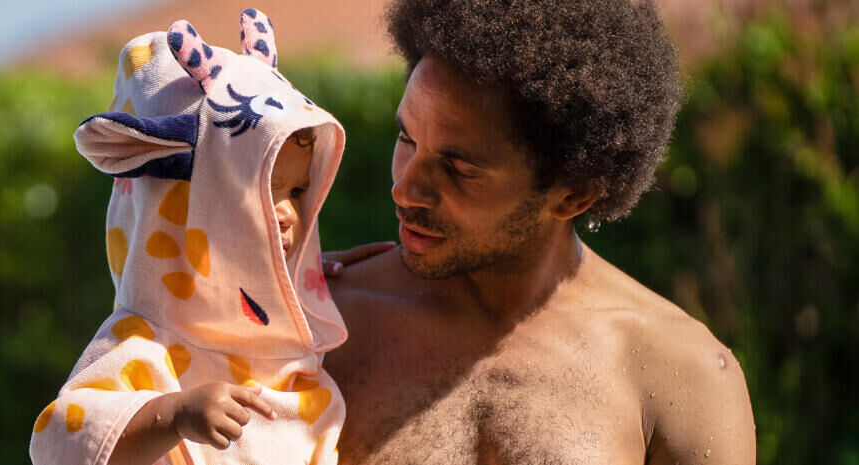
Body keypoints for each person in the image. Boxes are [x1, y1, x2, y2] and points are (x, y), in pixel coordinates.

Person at [319, 0, 756, 463]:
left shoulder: (682, 376)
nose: (405, 189)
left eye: (459, 168)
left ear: (573, 196)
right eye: (407, 139)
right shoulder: (322, 324)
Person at [30, 9, 349, 465]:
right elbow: (60, 442)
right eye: (256, 189)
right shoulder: (144, 343)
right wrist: (172, 413)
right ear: (178, 210)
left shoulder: (294, 349)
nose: (285, 213)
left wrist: (305, 280)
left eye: (298, 191)